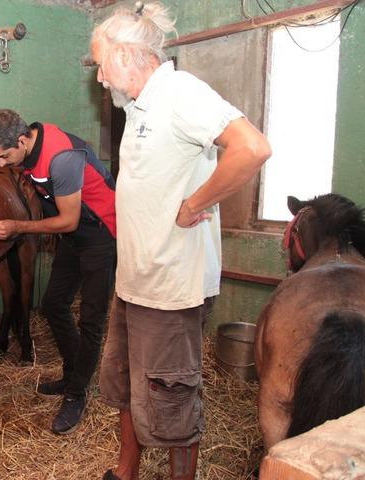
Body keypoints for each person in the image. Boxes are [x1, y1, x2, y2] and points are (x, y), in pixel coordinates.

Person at [89, 3, 271, 480]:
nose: (101, 78)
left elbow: (252, 148)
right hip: (134, 282)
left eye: (102, 65)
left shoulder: (179, 93)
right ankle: (126, 470)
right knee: (125, 386)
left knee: (170, 400)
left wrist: (196, 203)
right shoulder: (138, 107)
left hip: (171, 288)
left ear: (128, 55)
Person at [0, 109, 117, 435]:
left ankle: (76, 394)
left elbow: (67, 219)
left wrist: (17, 227)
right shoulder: (18, 145)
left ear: (22, 141)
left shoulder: (62, 158)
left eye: (5, 157)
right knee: (54, 304)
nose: (0, 164)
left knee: (92, 320)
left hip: (100, 232)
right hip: (73, 233)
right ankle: (72, 374)